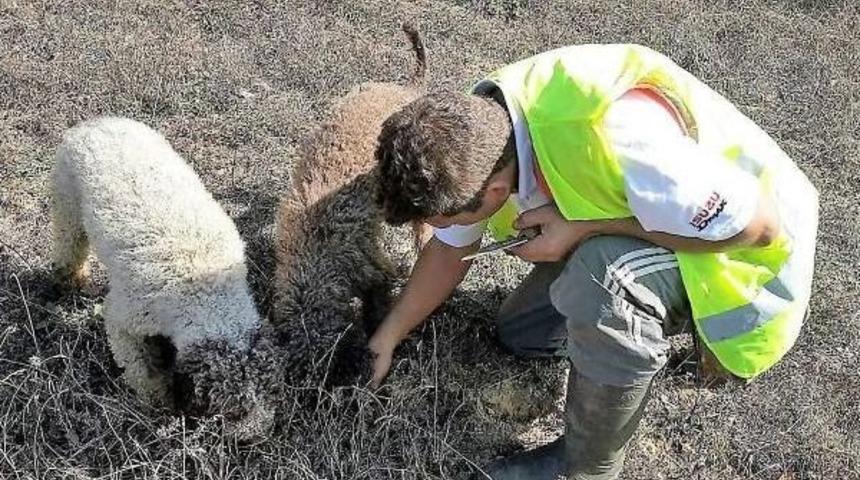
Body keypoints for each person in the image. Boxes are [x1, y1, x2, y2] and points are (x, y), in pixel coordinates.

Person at [369, 44, 819, 479]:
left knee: (605, 279)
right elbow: (450, 249)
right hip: (673, 217)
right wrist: (387, 336)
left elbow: (760, 228)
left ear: (493, 195)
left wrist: (583, 229)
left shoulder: (622, 136)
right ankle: (608, 355)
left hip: (746, 265)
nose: (440, 227)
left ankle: (586, 464)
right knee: (521, 333)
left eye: (438, 218)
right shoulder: (479, 131)